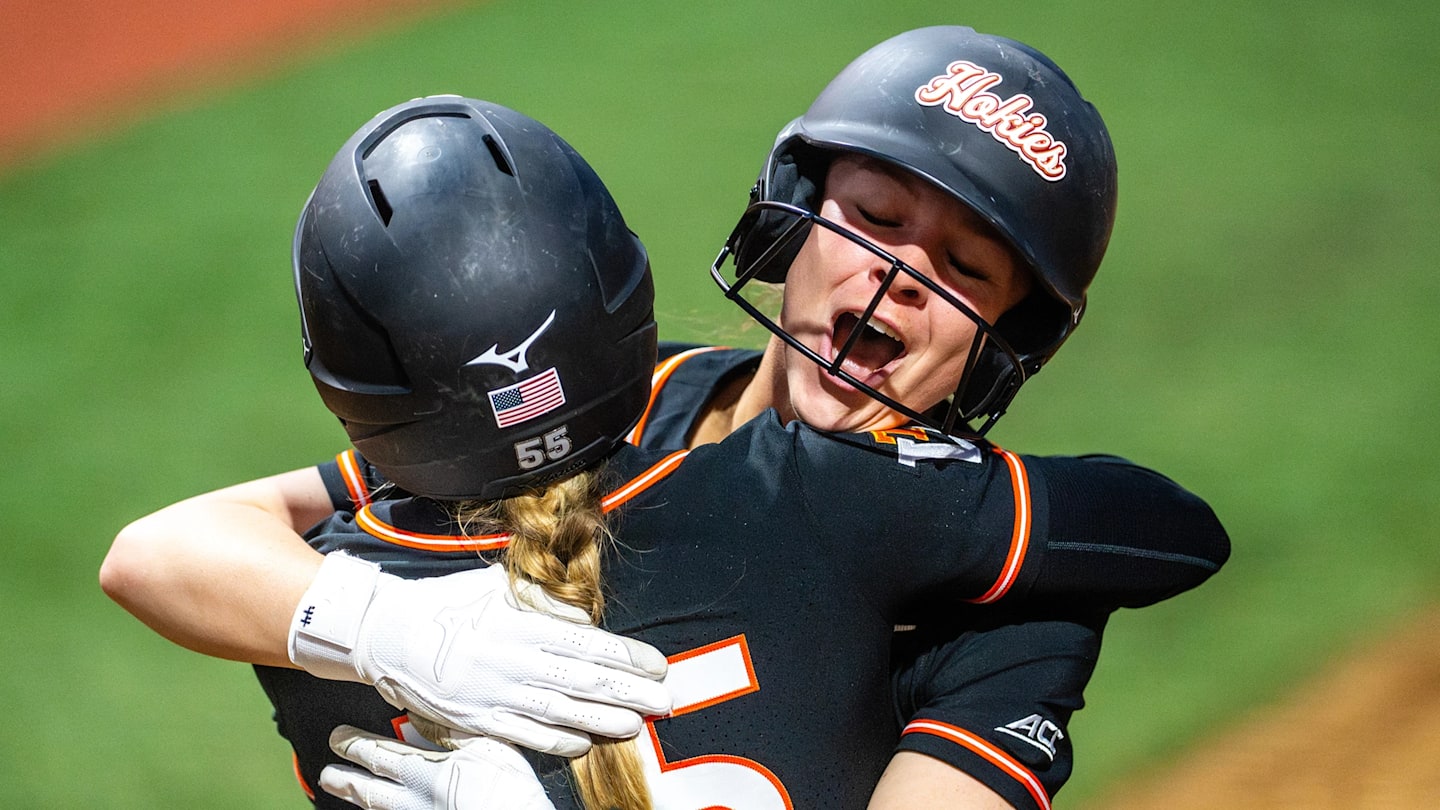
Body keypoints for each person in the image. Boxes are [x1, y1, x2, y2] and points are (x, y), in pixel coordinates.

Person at [100, 27, 1228, 810]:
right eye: (876, 217)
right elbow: (170, 549)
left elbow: (171, 556)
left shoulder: (1008, 617)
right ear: (796, 218)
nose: (897, 279)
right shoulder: (599, 397)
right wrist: (386, 628)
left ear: (1004, 339)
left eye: (965, 269)